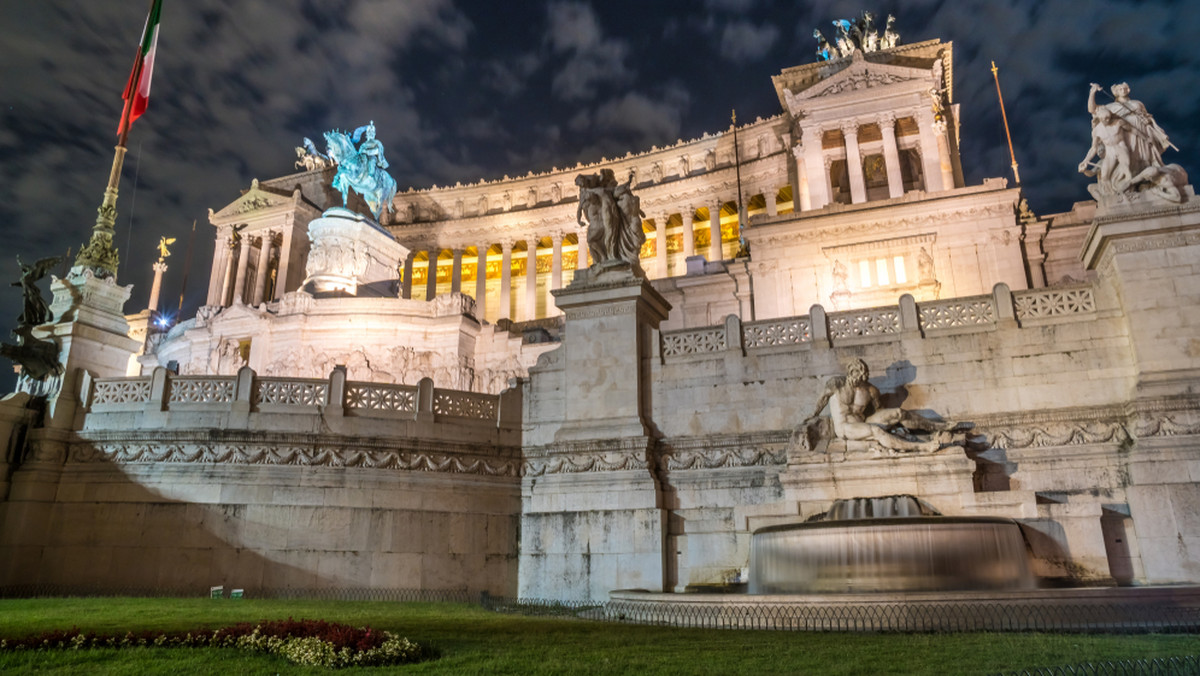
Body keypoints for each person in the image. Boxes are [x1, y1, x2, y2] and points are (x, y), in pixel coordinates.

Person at [804, 359, 959, 453]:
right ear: (851, 372)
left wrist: (890, 420)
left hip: (863, 421)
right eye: (858, 375)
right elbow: (823, 399)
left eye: (864, 375)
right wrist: (813, 414)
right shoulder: (836, 384)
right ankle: (921, 447)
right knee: (876, 430)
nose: (862, 378)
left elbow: (879, 410)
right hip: (845, 428)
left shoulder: (871, 390)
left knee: (898, 412)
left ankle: (937, 427)